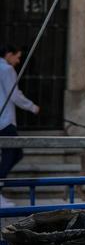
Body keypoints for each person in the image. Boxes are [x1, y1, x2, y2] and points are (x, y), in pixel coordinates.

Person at [1, 45, 39, 179]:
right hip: (4, 120)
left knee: (13, 153)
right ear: (9, 54)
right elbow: (14, 95)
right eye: (17, 57)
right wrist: (32, 107)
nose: (18, 61)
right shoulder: (6, 69)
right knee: (14, 153)